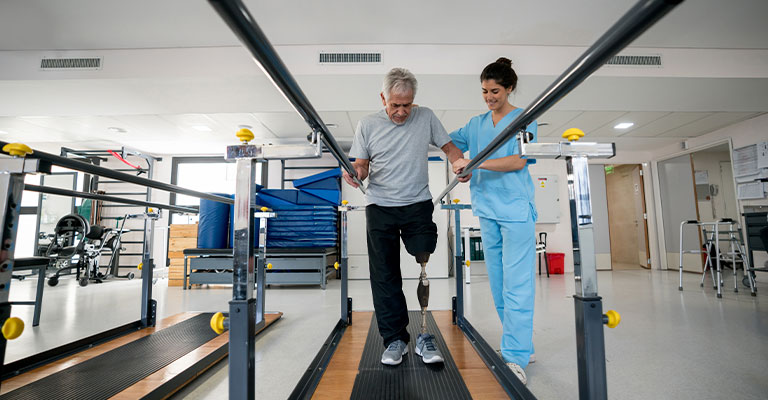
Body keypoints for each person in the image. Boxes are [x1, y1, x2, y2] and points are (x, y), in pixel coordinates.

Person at [343, 67, 466, 366]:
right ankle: (396, 339)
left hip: (417, 203)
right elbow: (362, 164)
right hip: (380, 205)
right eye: (394, 105)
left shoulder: (425, 117)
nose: (401, 112)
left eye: (406, 105)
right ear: (383, 97)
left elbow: (449, 147)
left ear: (414, 100)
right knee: (385, 275)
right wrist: (356, 173)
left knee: (423, 253)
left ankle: (424, 334)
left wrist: (459, 161)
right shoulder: (367, 124)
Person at [449, 57, 537, 385]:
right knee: (499, 285)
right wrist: (458, 162)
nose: (489, 97)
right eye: (485, 91)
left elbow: (517, 161)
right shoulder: (475, 124)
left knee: (518, 285)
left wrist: (476, 162)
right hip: (486, 211)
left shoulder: (524, 118)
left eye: (495, 91)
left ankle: (514, 355)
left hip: (515, 212)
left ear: (509, 88)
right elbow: (450, 141)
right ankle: (521, 346)